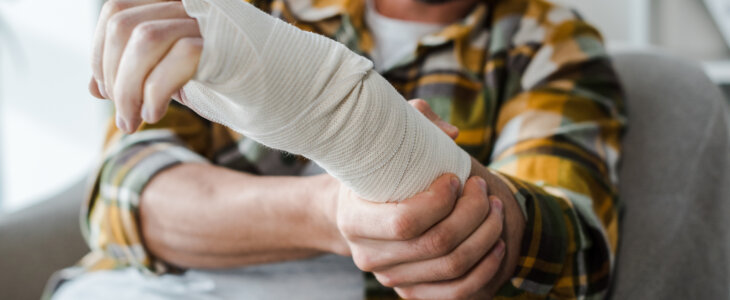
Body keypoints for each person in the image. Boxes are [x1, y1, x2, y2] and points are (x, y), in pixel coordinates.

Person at [50, 0, 625, 299]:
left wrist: (364, 133)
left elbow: (573, 258)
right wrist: (327, 213)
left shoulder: (550, 42)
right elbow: (121, 198)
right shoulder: (239, 6)